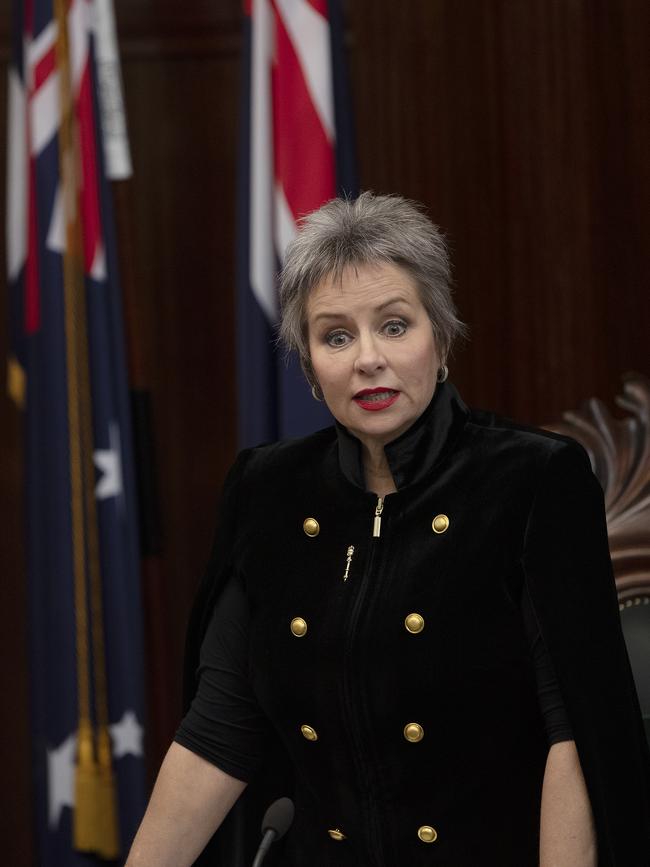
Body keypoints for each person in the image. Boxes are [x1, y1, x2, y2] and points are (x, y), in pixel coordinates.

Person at [126, 193, 650, 867]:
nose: (367, 358)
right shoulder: (268, 489)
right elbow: (218, 731)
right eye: (336, 336)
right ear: (311, 367)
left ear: (442, 335)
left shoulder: (532, 480)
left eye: (395, 325)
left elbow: (571, 736)